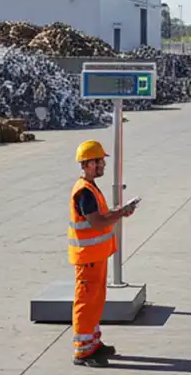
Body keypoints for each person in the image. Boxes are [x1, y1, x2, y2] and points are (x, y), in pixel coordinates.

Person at [68, 140, 138, 368]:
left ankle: (93, 344)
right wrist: (121, 213)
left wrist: (119, 213)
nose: (103, 165)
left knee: (96, 300)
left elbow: (101, 218)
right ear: (88, 164)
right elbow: (97, 222)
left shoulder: (90, 188)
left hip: (95, 256)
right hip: (88, 257)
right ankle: (82, 352)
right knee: (86, 302)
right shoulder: (84, 192)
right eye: (99, 161)